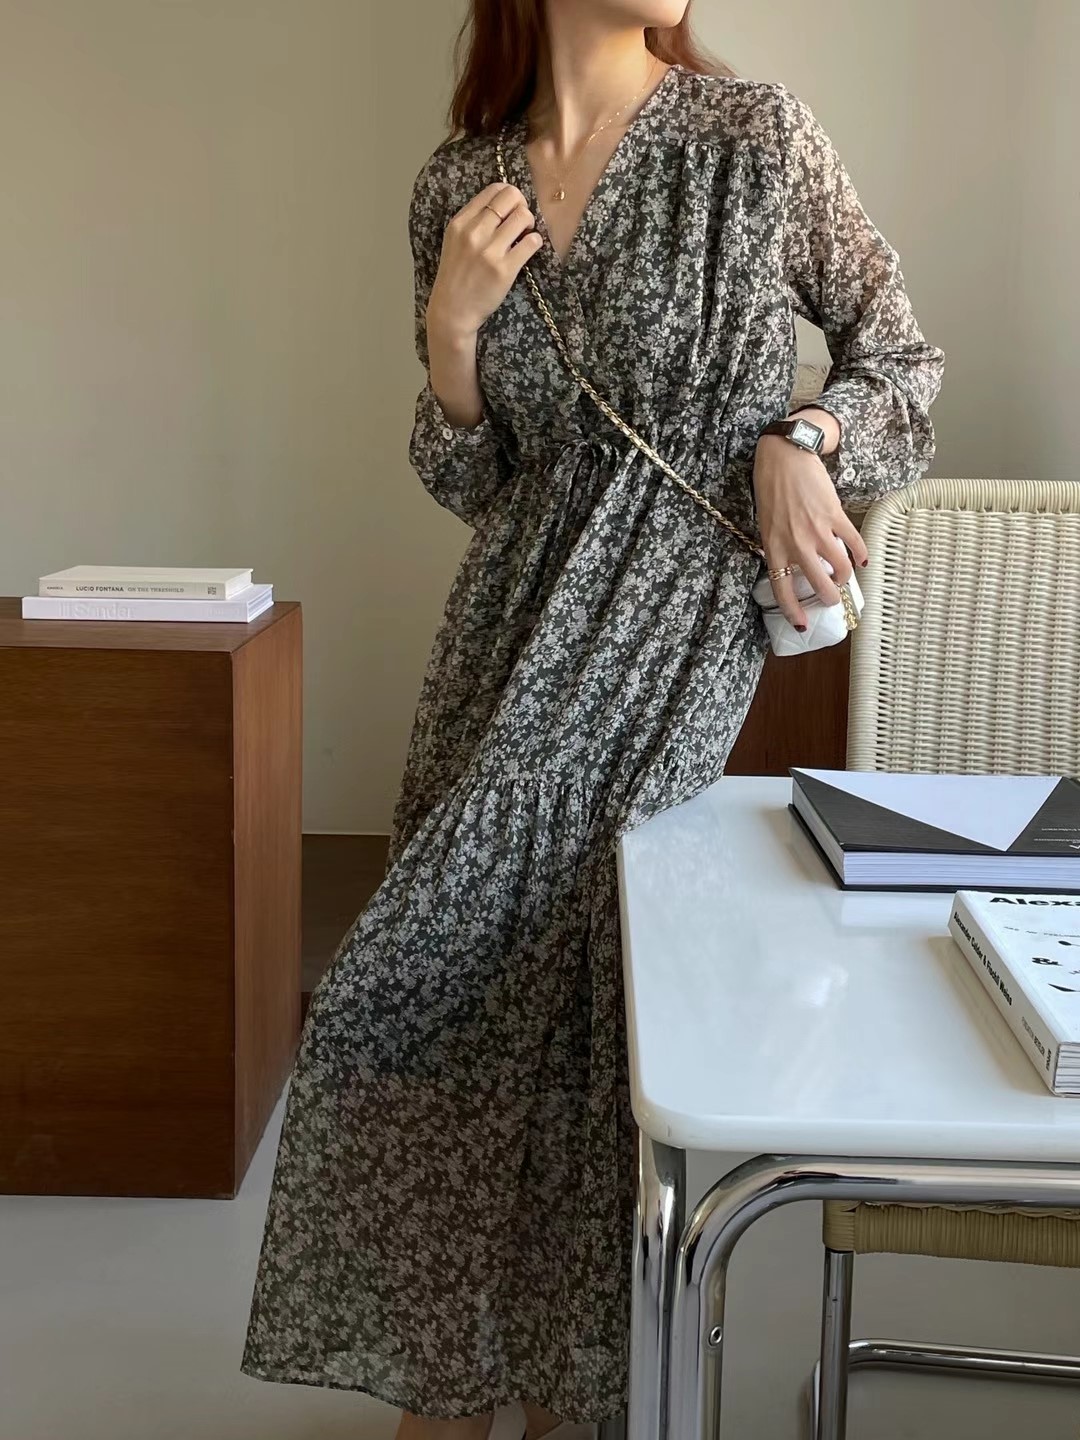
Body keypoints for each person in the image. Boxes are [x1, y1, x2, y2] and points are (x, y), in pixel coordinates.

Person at [240, 3, 945, 1438]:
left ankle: (529, 1392)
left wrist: (801, 437)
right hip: (498, 638)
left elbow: (903, 363)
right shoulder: (459, 187)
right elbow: (477, 481)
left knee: (519, 995)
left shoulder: (754, 142)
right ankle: (475, 1375)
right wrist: (450, 332)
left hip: (671, 637)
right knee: (477, 1008)